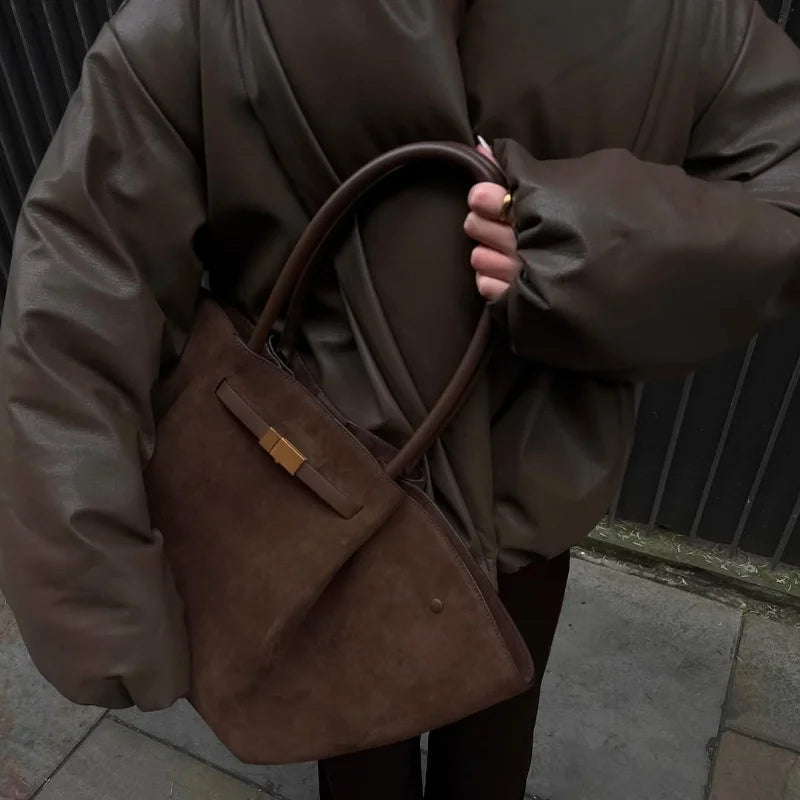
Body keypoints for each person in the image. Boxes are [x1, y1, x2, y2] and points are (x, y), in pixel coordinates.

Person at [2, 0, 800, 797]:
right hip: (341, 498)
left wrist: (580, 239)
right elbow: (88, 269)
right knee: (393, 750)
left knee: (459, 751)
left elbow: (84, 266)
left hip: (430, 500)